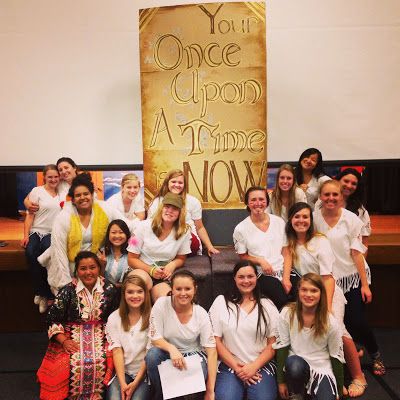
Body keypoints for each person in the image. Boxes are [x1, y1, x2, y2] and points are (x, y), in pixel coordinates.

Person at [286, 202, 368, 397]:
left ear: (310, 220)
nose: (301, 221)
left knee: (336, 328)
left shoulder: (320, 240)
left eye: (305, 217)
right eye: (297, 217)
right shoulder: (289, 242)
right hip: (306, 294)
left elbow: (328, 277)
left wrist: (328, 307)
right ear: (290, 220)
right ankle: (338, 364)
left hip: (327, 292)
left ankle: (358, 376)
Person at [313, 180, 385, 380]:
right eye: (326, 195)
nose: (330, 198)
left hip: (351, 278)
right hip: (328, 279)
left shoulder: (352, 219)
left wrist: (364, 285)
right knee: (335, 323)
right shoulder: (314, 218)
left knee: (357, 321)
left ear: (341, 196)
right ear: (320, 197)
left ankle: (375, 354)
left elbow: (357, 254)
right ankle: (345, 361)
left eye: (334, 195)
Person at [37, 251, 119, 400]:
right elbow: (52, 319)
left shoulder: (110, 289)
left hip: (104, 334)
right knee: (70, 362)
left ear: (99, 269)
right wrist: (64, 341)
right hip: (71, 334)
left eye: (92, 267)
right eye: (83, 268)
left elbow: (117, 317)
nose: (88, 272)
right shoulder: (67, 290)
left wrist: (110, 340)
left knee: (103, 359)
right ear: (77, 271)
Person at [39, 173, 136, 293]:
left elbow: (130, 228)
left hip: (96, 267)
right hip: (70, 267)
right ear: (73, 199)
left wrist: (134, 248)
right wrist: (66, 285)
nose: (83, 197)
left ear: (92, 195)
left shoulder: (104, 209)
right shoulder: (63, 217)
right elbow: (59, 253)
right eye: (78, 195)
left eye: (86, 194)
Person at [209, 260, 279, 400]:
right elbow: (215, 341)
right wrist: (238, 368)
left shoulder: (267, 305)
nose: (246, 281)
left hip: (260, 366)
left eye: (250, 276)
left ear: (256, 277)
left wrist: (253, 367)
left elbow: (273, 344)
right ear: (234, 278)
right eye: (241, 277)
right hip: (229, 365)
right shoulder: (221, 302)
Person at [145, 270, 217, 400]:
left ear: (195, 289)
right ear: (172, 289)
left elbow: (211, 351)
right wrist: (172, 349)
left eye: (187, 289)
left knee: (195, 373)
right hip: (167, 353)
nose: (183, 293)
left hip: (193, 355)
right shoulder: (161, 304)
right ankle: (162, 394)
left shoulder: (201, 314)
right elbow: (155, 338)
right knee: (152, 355)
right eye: (178, 289)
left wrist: (210, 390)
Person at [274, 273, 345, 400]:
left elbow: (336, 357)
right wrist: (281, 382)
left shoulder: (330, 322)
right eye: (304, 290)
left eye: (314, 291)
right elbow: (282, 348)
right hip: (296, 363)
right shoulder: (287, 313)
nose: (308, 294)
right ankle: (297, 393)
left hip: (321, 367)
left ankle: (311, 390)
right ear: (298, 291)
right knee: (294, 365)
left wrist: (338, 390)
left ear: (321, 293)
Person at [233, 186, 295, 310]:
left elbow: (286, 252)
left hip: (284, 270)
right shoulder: (241, 228)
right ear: (247, 203)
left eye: (261, 199)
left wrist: (286, 279)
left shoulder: (279, 222)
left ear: (267, 201)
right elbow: (242, 256)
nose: (258, 203)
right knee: (282, 299)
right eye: (253, 200)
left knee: (302, 293)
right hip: (263, 274)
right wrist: (261, 261)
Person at [128, 192, 191, 301]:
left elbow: (181, 258)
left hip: (162, 276)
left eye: (175, 209)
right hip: (141, 270)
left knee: (165, 299)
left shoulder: (184, 231)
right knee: (138, 288)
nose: (170, 211)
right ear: (161, 208)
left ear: (180, 213)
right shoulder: (142, 227)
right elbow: (131, 259)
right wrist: (151, 270)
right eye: (167, 207)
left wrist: (172, 265)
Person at [147, 169, 219, 256]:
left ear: (184, 185)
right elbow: (150, 226)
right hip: (164, 239)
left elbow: (200, 228)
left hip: (188, 241)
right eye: (173, 181)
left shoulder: (193, 201)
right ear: (167, 183)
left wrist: (209, 246)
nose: (177, 185)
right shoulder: (156, 202)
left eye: (180, 183)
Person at [21, 164, 61, 313]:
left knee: (45, 253)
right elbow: (29, 215)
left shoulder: (63, 192)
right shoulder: (37, 191)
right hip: (36, 231)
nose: (53, 179)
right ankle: (41, 292)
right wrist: (25, 235)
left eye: (56, 176)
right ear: (44, 177)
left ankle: (46, 294)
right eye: (50, 176)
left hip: (53, 232)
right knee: (30, 252)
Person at [105, 274, 152, 400]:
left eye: (139, 292)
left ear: (145, 294)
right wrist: (123, 384)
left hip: (143, 374)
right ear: (124, 294)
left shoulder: (153, 317)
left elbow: (149, 354)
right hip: (123, 372)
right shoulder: (114, 318)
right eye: (130, 292)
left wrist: (135, 382)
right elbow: (117, 351)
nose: (135, 296)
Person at [99, 219, 131, 287]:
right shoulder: (101, 252)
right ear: (108, 234)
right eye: (113, 232)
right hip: (106, 292)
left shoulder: (132, 254)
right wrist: (102, 265)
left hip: (126, 291)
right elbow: (98, 279)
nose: (117, 236)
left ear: (126, 234)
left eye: (121, 232)